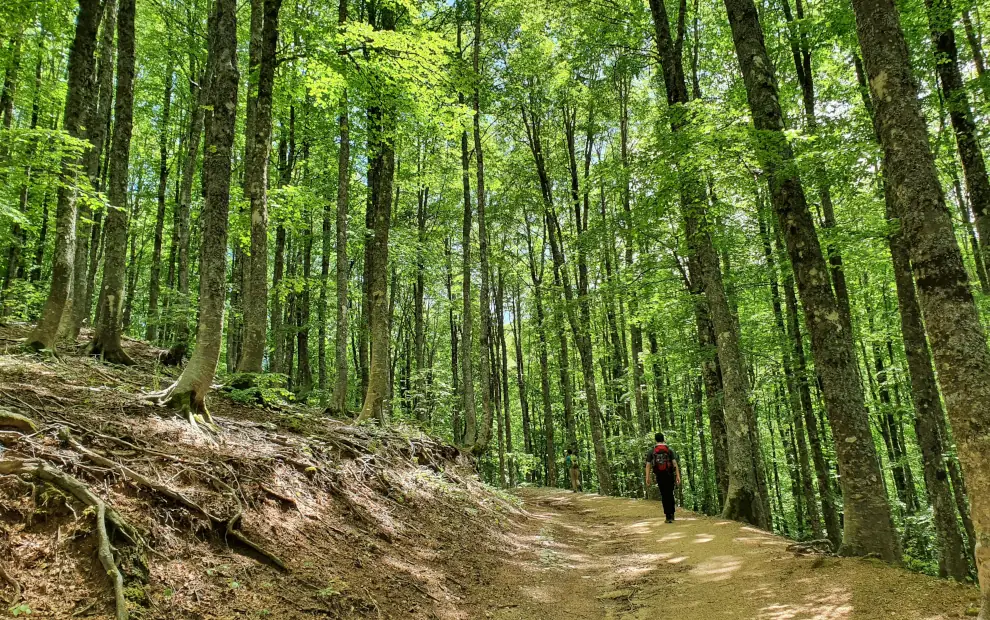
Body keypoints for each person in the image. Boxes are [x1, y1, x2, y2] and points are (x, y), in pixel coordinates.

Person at [645, 432, 681, 523]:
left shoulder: (652, 451)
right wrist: (678, 475)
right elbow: (674, 463)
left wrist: (647, 477)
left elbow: (648, 465)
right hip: (669, 474)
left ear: (655, 440)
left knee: (664, 494)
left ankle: (667, 516)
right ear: (663, 439)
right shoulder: (669, 450)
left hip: (659, 475)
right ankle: (672, 514)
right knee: (670, 493)